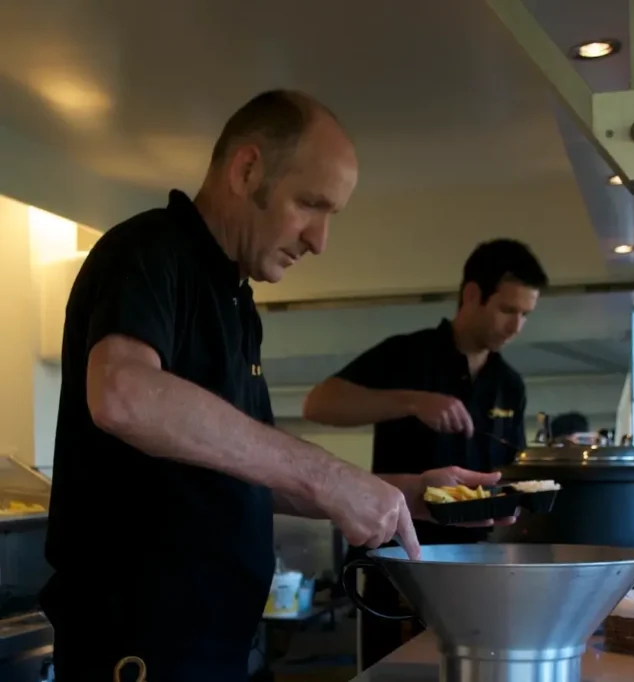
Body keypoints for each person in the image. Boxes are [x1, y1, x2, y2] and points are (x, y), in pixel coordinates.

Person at [39, 89, 504, 682]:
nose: (320, 240)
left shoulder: (238, 303)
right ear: (247, 170)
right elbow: (122, 395)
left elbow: (253, 469)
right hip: (141, 655)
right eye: (310, 204)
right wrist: (328, 478)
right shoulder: (147, 251)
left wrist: (403, 494)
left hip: (225, 648)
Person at [303, 238, 549, 669]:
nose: (516, 326)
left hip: (477, 569)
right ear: (472, 294)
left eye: (526, 315)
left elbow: (509, 471)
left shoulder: (510, 384)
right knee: (396, 672)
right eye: (508, 310)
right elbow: (319, 404)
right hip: (400, 562)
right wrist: (411, 401)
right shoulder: (407, 354)